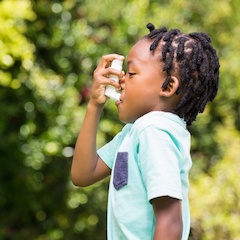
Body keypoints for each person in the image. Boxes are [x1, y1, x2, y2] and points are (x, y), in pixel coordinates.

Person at [71, 23, 220, 240]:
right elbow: (83, 174)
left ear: (168, 87)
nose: (122, 80)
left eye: (131, 73)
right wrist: (95, 105)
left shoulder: (154, 131)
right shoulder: (134, 133)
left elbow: (170, 222)